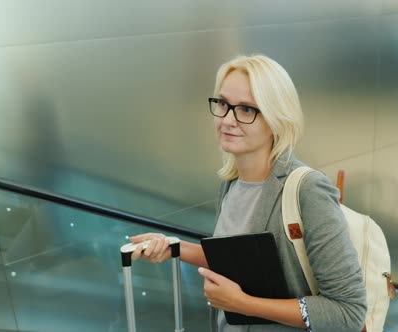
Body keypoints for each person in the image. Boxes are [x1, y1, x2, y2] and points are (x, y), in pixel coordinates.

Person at [130, 54, 366, 332]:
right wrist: (174, 248)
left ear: (277, 119)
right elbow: (243, 261)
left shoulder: (308, 190)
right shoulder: (232, 182)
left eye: (246, 109)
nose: (228, 120)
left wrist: (243, 304)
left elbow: (349, 312)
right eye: (222, 104)